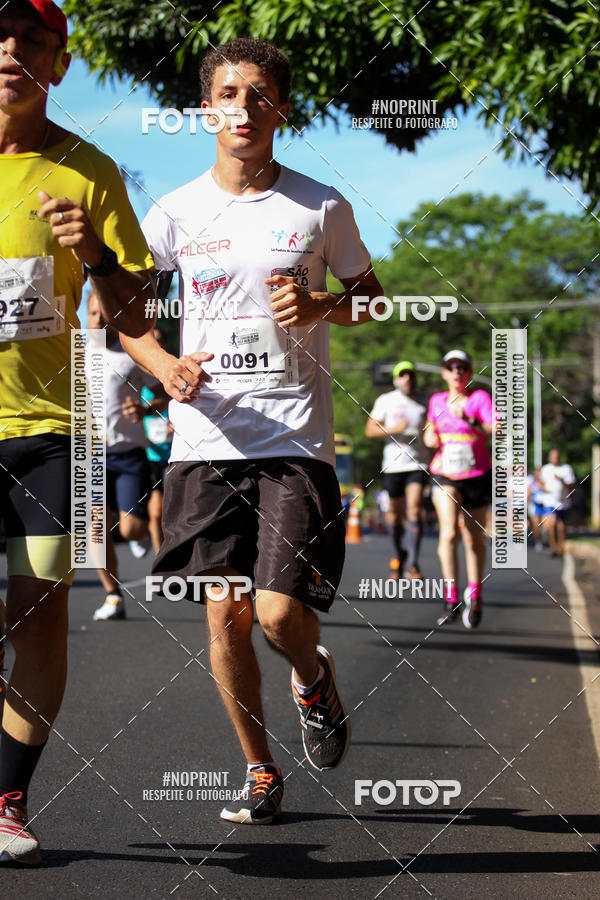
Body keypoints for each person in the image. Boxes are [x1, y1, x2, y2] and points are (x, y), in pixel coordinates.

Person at [120, 37, 382, 825]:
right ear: (207, 109)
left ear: (282, 109)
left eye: (260, 93)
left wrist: (323, 306)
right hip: (204, 442)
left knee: (275, 614)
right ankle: (260, 771)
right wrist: (165, 366)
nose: (244, 107)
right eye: (229, 93)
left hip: (293, 442)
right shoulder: (173, 212)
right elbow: (122, 316)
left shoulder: (319, 206)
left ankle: (312, 678)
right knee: (225, 615)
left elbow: (372, 297)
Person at [0, 0, 155, 864]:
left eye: (32, 42)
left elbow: (133, 312)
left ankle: (6, 796)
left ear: (57, 65)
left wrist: (95, 252)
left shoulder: (88, 170)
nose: (11, 52)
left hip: (45, 431)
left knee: (41, 615)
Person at [87, 295, 168, 620]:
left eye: (100, 313)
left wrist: (145, 407)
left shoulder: (131, 351)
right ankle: (112, 595)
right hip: (89, 454)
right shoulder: (76, 349)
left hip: (128, 454)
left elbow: (164, 390)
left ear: (112, 316)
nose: (94, 319)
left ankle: (140, 537)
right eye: (90, 312)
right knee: (95, 526)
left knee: (132, 529)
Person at [423, 350, 494, 630]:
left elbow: (496, 429)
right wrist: (429, 434)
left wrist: (470, 419)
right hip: (444, 473)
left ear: (469, 372)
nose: (456, 372)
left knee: (474, 538)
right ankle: (451, 598)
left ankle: (475, 594)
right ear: (444, 373)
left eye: (462, 367)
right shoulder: (437, 400)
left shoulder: (479, 399)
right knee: (449, 531)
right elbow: (430, 430)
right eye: (451, 367)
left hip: (476, 473)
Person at [365, 360, 429, 579]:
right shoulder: (386, 400)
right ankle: (397, 556)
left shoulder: (424, 401)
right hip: (393, 464)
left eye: (410, 375)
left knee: (415, 508)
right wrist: (394, 429)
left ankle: (413, 561)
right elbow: (370, 430)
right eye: (402, 375)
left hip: (418, 463)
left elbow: (433, 428)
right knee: (394, 513)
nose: (407, 378)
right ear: (395, 379)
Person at [138, 327, 173, 555]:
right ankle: (161, 562)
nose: (157, 346)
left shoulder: (175, 376)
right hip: (151, 454)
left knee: (174, 512)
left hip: (175, 454)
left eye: (160, 342)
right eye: (153, 341)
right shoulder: (139, 381)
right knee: (156, 513)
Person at [539, 449, 576, 557]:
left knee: (562, 525)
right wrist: (544, 489)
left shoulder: (566, 469)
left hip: (563, 501)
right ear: (549, 458)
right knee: (552, 522)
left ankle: (561, 546)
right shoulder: (545, 469)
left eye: (557, 456)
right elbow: (540, 482)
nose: (555, 458)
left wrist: (561, 480)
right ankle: (553, 547)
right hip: (550, 500)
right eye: (553, 456)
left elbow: (571, 486)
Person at [527, 468, 546, 550]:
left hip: (544, 506)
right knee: (536, 524)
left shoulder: (544, 483)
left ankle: (543, 537)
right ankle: (538, 542)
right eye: (536, 473)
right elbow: (528, 495)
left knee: (543, 525)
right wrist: (530, 501)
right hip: (535, 506)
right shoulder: (532, 484)